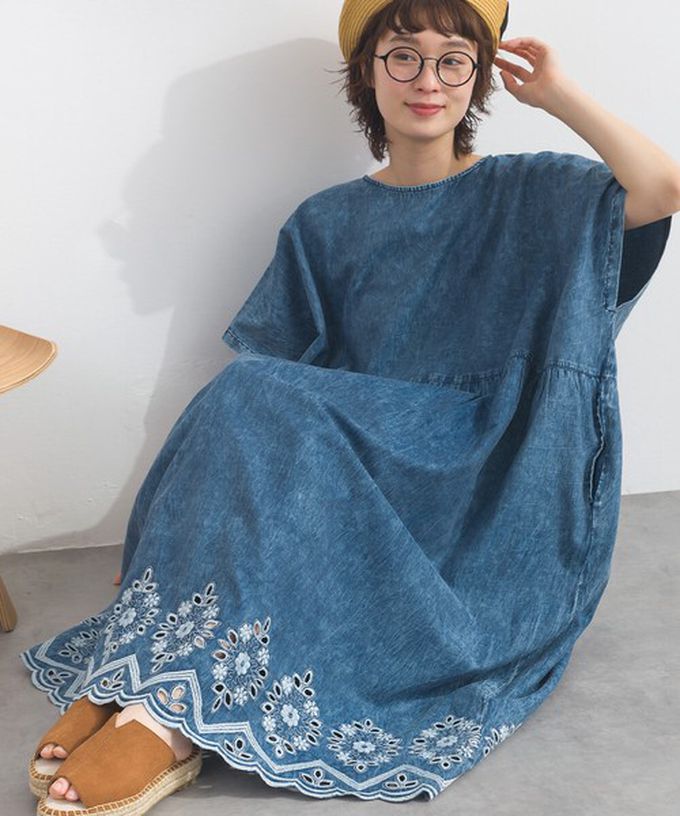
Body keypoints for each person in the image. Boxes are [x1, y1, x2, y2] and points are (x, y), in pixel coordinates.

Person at [22, 0, 678, 811]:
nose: (428, 79)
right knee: (250, 390)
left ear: (478, 77)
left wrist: (558, 95)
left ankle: (162, 716)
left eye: (453, 59)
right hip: (360, 473)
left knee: (255, 391)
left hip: (477, 481)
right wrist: (174, 527)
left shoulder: (534, 191)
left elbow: (663, 189)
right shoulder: (324, 222)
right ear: (367, 72)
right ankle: (146, 671)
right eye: (403, 55)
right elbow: (266, 397)